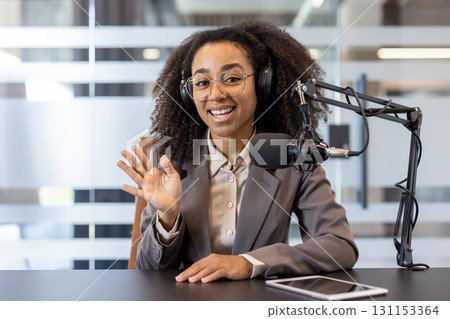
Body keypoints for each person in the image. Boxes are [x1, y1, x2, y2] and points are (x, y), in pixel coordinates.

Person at [117, 21, 358, 283]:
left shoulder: (293, 155)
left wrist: (250, 263)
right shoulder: (169, 158)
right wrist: (168, 217)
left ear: (264, 84)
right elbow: (149, 271)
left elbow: (339, 246)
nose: (216, 94)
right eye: (202, 82)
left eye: (232, 79)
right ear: (189, 94)